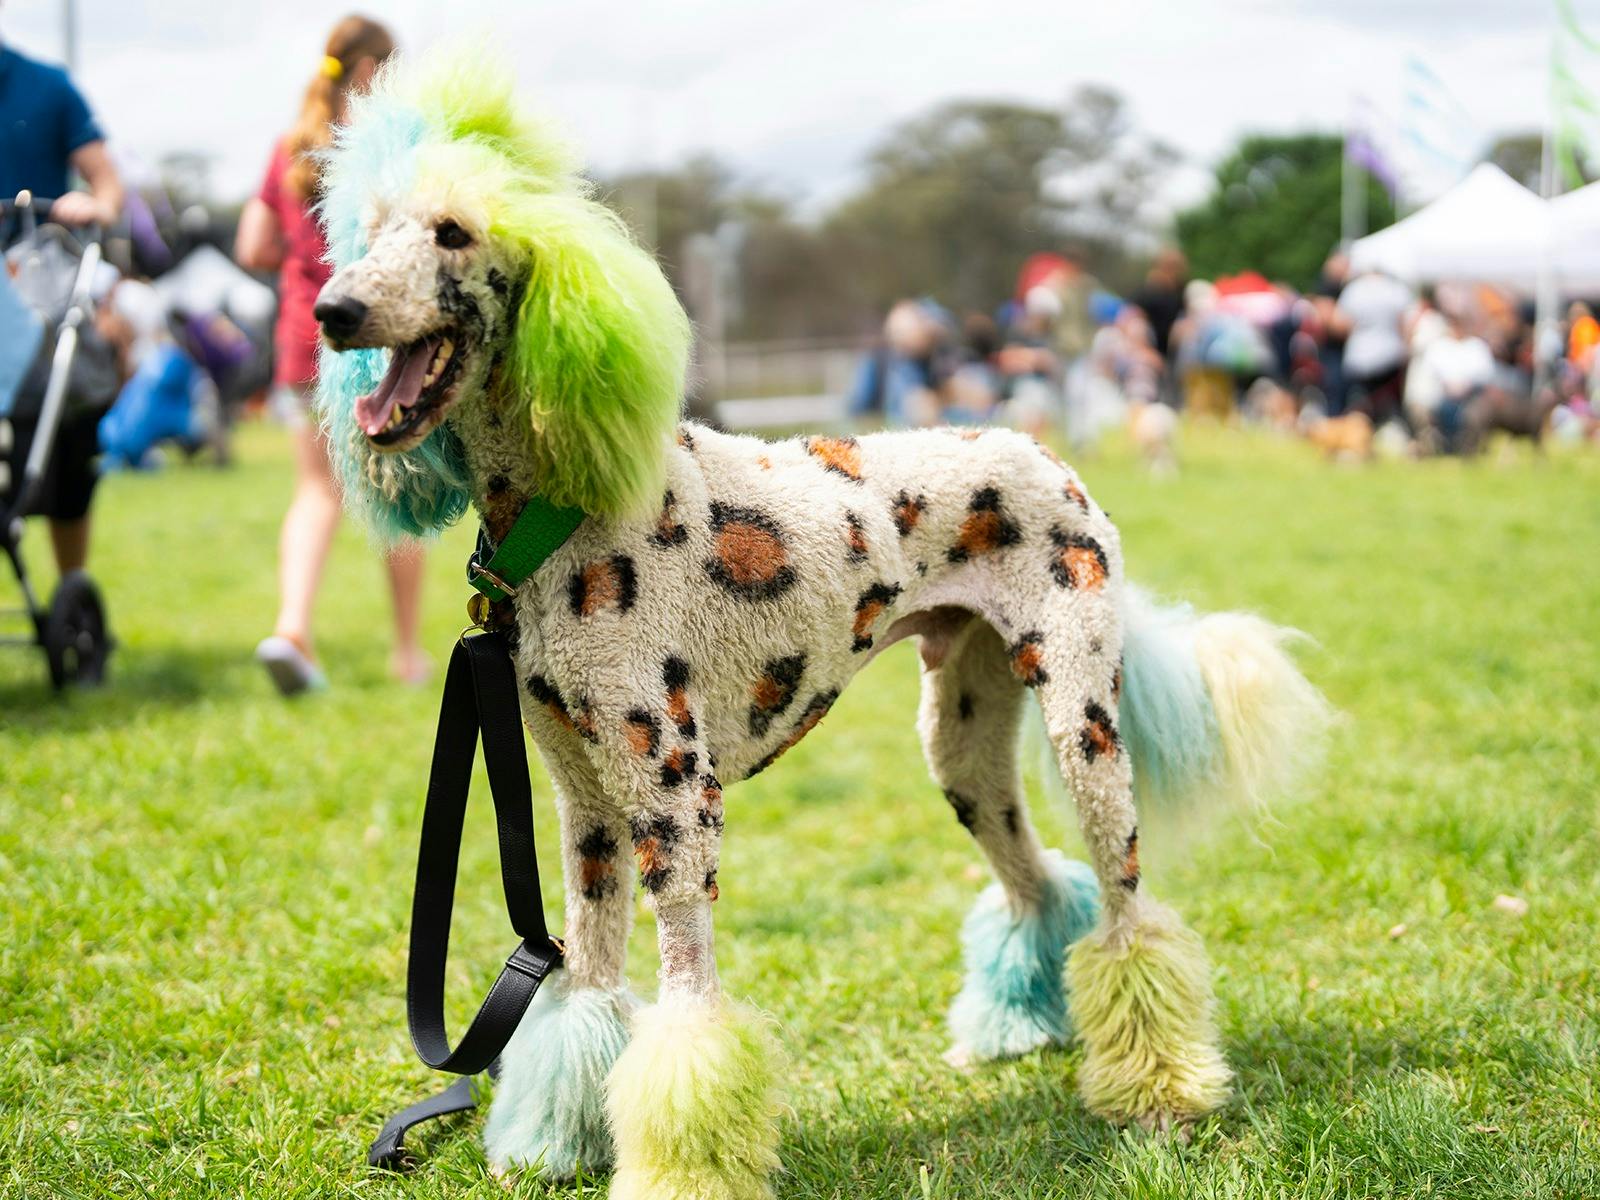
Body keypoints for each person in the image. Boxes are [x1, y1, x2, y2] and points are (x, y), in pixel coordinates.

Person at [235, 16, 429, 694]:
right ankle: (406, 653)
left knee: (315, 492)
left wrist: (302, 252)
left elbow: (251, 246)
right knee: (401, 487)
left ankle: (293, 629)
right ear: (372, 71)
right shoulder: (390, 145)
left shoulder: (292, 147)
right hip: (376, 340)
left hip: (301, 342)